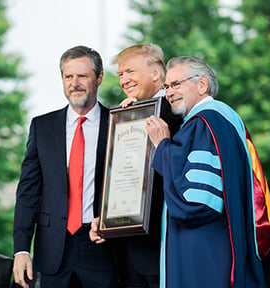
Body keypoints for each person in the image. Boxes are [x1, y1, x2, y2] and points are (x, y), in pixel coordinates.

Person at [144, 56, 269, 287]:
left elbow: (198, 202)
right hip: (216, 244)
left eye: (176, 84)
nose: (170, 92)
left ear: (201, 85)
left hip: (204, 252)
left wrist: (162, 145)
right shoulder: (220, 120)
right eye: (167, 86)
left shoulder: (204, 122)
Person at [12, 45, 117, 288]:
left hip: (102, 249)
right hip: (52, 250)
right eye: (68, 76)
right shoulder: (42, 127)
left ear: (99, 78)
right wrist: (21, 249)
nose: (75, 83)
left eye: (82, 76)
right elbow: (28, 192)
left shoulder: (118, 124)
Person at [90, 43, 182, 287]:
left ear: (155, 74)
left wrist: (142, 114)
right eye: (120, 74)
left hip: (160, 246)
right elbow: (112, 172)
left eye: (130, 71)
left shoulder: (178, 114)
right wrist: (101, 216)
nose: (124, 79)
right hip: (124, 249)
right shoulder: (122, 116)